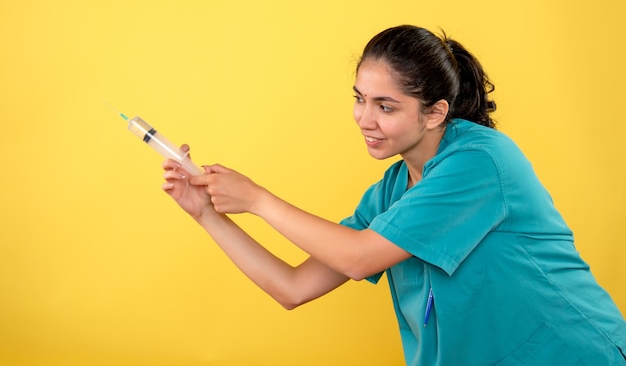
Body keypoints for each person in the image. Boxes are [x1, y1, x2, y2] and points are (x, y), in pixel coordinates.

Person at [162, 25, 626, 365]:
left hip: (571, 354)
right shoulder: (390, 193)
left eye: (385, 106)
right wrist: (208, 215)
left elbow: (359, 258)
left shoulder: (480, 162)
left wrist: (258, 200)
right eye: (360, 98)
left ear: (434, 112)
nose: (365, 119)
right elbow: (293, 288)